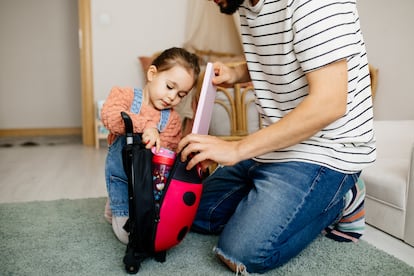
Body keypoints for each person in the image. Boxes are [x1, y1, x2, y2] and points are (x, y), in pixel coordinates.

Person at [177, 0, 375, 274]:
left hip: (324, 152)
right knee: (189, 215)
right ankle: (268, 201)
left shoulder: (315, 3)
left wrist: (237, 149)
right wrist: (237, 72)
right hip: (276, 145)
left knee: (241, 252)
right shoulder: (246, 4)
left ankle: (343, 199)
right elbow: (285, 54)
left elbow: (329, 103)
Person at [101, 47, 200, 244]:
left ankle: (117, 208)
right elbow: (110, 116)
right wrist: (146, 126)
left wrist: (160, 142)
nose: (173, 97)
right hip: (122, 178)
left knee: (151, 231)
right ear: (152, 74)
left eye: (181, 94)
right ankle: (117, 205)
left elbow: (168, 152)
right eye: (170, 87)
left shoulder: (172, 119)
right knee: (128, 237)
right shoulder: (125, 96)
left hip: (148, 185)